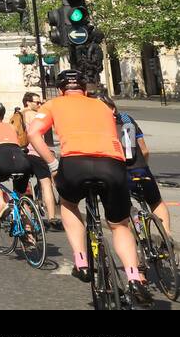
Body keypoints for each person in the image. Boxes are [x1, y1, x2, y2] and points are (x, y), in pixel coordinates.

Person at [27, 70, 152, 305]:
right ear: (85, 89)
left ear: (61, 89)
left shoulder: (53, 104)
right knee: (119, 224)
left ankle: (81, 260)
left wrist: (53, 163)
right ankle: (135, 278)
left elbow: (33, 133)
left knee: (69, 203)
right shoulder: (102, 106)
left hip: (75, 164)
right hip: (111, 165)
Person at [101, 93, 171, 239]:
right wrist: (143, 166)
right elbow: (144, 150)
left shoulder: (98, 126)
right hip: (140, 168)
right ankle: (167, 235)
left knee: (122, 211)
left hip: (119, 174)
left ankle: (141, 236)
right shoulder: (127, 120)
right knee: (156, 201)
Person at [11, 92, 59, 229]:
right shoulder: (35, 116)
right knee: (46, 183)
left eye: (40, 103)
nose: (39, 105)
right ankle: (51, 217)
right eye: (37, 103)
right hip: (37, 154)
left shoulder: (15, 116)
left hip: (21, 155)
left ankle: (26, 220)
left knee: (20, 189)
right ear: (27, 102)